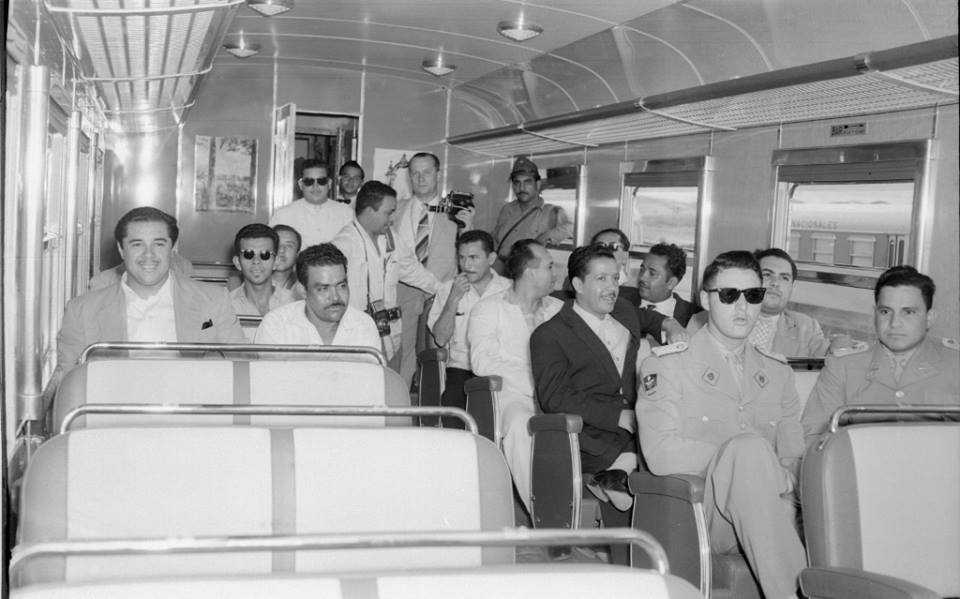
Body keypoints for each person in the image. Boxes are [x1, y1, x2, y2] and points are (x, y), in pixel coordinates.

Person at [637, 250, 806, 599]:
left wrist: (772, 473)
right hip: (704, 512)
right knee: (747, 449)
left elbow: (794, 457)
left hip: (775, 507)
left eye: (753, 295)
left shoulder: (778, 372)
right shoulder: (667, 365)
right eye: (729, 295)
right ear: (706, 299)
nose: (742, 307)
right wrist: (739, 460)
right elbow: (661, 453)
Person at [530, 244, 643, 560]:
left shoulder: (624, 317)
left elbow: (649, 317)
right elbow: (554, 397)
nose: (612, 287)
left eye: (615, 278)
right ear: (578, 284)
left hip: (635, 428)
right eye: (601, 279)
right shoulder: (549, 334)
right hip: (587, 435)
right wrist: (617, 416)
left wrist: (669, 325)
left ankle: (620, 475)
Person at [56, 207, 245, 375]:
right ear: (121, 250)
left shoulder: (214, 300)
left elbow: (243, 368)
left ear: (172, 248)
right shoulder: (82, 311)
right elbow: (68, 382)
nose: (149, 254)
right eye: (137, 244)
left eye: (159, 244)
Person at [802, 265, 960, 442]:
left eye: (908, 312)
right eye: (885, 312)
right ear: (875, 315)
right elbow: (814, 438)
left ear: (929, 318)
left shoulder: (955, 363)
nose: (894, 323)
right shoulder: (842, 366)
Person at [467, 239, 563, 512]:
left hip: (559, 394)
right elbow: (483, 361)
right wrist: (536, 383)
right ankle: (544, 512)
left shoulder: (559, 310)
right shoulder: (489, 308)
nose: (555, 273)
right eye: (549, 266)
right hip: (512, 395)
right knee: (520, 423)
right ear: (530, 272)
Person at [332, 181, 439, 369]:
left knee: (392, 384)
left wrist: (443, 290)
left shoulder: (390, 237)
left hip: (390, 339)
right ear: (369, 211)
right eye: (388, 212)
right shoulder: (344, 244)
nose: (392, 219)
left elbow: (412, 270)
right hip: (357, 341)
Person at [395, 152, 476, 385]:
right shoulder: (395, 210)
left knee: (436, 358)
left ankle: (432, 402)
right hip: (402, 293)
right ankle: (401, 400)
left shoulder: (455, 211)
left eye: (427, 172)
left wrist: (467, 227)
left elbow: (469, 254)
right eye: (415, 173)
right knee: (401, 354)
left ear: (438, 174)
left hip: (441, 293)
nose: (421, 178)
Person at [427, 230, 511, 423]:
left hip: (501, 368)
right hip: (462, 368)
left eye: (473, 257)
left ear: (491, 258)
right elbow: (440, 338)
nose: (466, 265)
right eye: (462, 258)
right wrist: (453, 298)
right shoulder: (448, 288)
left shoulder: (509, 289)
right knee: (453, 410)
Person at [255, 243, 380, 348]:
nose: (335, 297)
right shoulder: (276, 326)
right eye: (323, 289)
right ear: (303, 290)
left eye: (341, 286)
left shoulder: (363, 325)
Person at [746, 248, 832, 357]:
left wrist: (841, 347)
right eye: (767, 275)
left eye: (784, 278)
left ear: (791, 288)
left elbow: (831, 358)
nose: (775, 283)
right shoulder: (727, 317)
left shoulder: (806, 328)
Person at [491, 157, 573, 263]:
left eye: (527, 182)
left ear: (537, 184)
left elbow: (572, 228)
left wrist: (546, 235)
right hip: (500, 267)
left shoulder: (552, 212)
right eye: (517, 183)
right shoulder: (507, 209)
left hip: (527, 270)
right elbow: (494, 238)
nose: (521, 188)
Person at [269, 159, 354, 248]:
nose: (315, 186)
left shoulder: (347, 214)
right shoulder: (282, 215)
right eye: (309, 181)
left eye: (321, 181)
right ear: (301, 184)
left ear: (329, 183)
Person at [229, 224, 295, 325]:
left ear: (276, 262)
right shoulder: (225, 306)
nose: (256, 261)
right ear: (237, 262)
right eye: (248, 254)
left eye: (265, 254)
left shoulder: (294, 304)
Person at [633, 242, 703, 327]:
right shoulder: (622, 299)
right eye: (642, 269)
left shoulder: (695, 317)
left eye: (652, 273)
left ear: (671, 283)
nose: (642, 277)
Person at [271, 224, 304, 298]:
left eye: (289, 246)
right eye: (276, 244)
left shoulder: (304, 288)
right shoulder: (249, 284)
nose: (281, 250)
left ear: (297, 254)